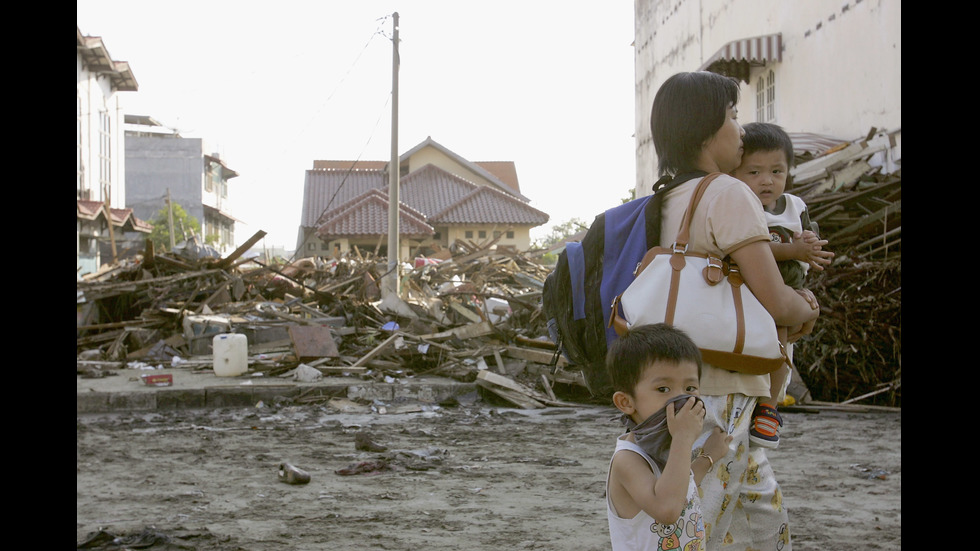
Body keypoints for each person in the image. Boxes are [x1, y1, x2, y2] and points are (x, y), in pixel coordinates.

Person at [648, 71, 821, 550]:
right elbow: (776, 299)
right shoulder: (727, 192)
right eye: (733, 117)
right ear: (707, 129)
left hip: (684, 385)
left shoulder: (667, 197)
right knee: (698, 528)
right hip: (722, 391)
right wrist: (807, 306)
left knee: (757, 521)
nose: (741, 132)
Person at [733, 122, 835, 449]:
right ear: (736, 173)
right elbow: (752, 249)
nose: (767, 180)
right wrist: (793, 250)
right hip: (755, 292)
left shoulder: (795, 206)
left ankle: (770, 407)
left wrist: (810, 244)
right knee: (776, 347)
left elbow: (808, 240)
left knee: (783, 352)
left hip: (789, 291)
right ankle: (766, 409)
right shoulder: (740, 207)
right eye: (754, 172)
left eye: (777, 171)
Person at [605, 323, 732, 551]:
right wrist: (683, 438)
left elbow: (683, 483)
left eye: (691, 388)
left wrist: (709, 457)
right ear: (626, 402)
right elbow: (667, 509)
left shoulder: (665, 445)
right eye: (663, 389)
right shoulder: (628, 459)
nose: (681, 399)